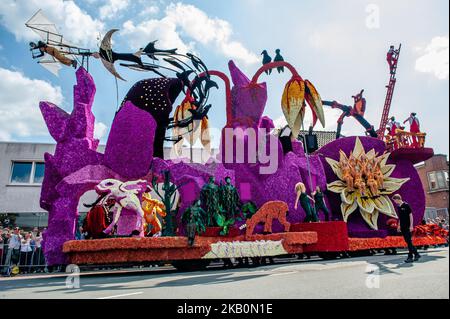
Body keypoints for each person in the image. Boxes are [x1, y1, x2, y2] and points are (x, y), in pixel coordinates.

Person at [392, 194, 421, 263]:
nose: (395, 202)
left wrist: (411, 226)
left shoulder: (406, 205)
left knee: (409, 241)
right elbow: (400, 218)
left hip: (408, 226)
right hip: (402, 227)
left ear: (397, 199)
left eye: (395, 200)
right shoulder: (398, 207)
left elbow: (411, 216)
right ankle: (416, 254)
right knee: (408, 242)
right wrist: (399, 226)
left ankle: (410, 256)